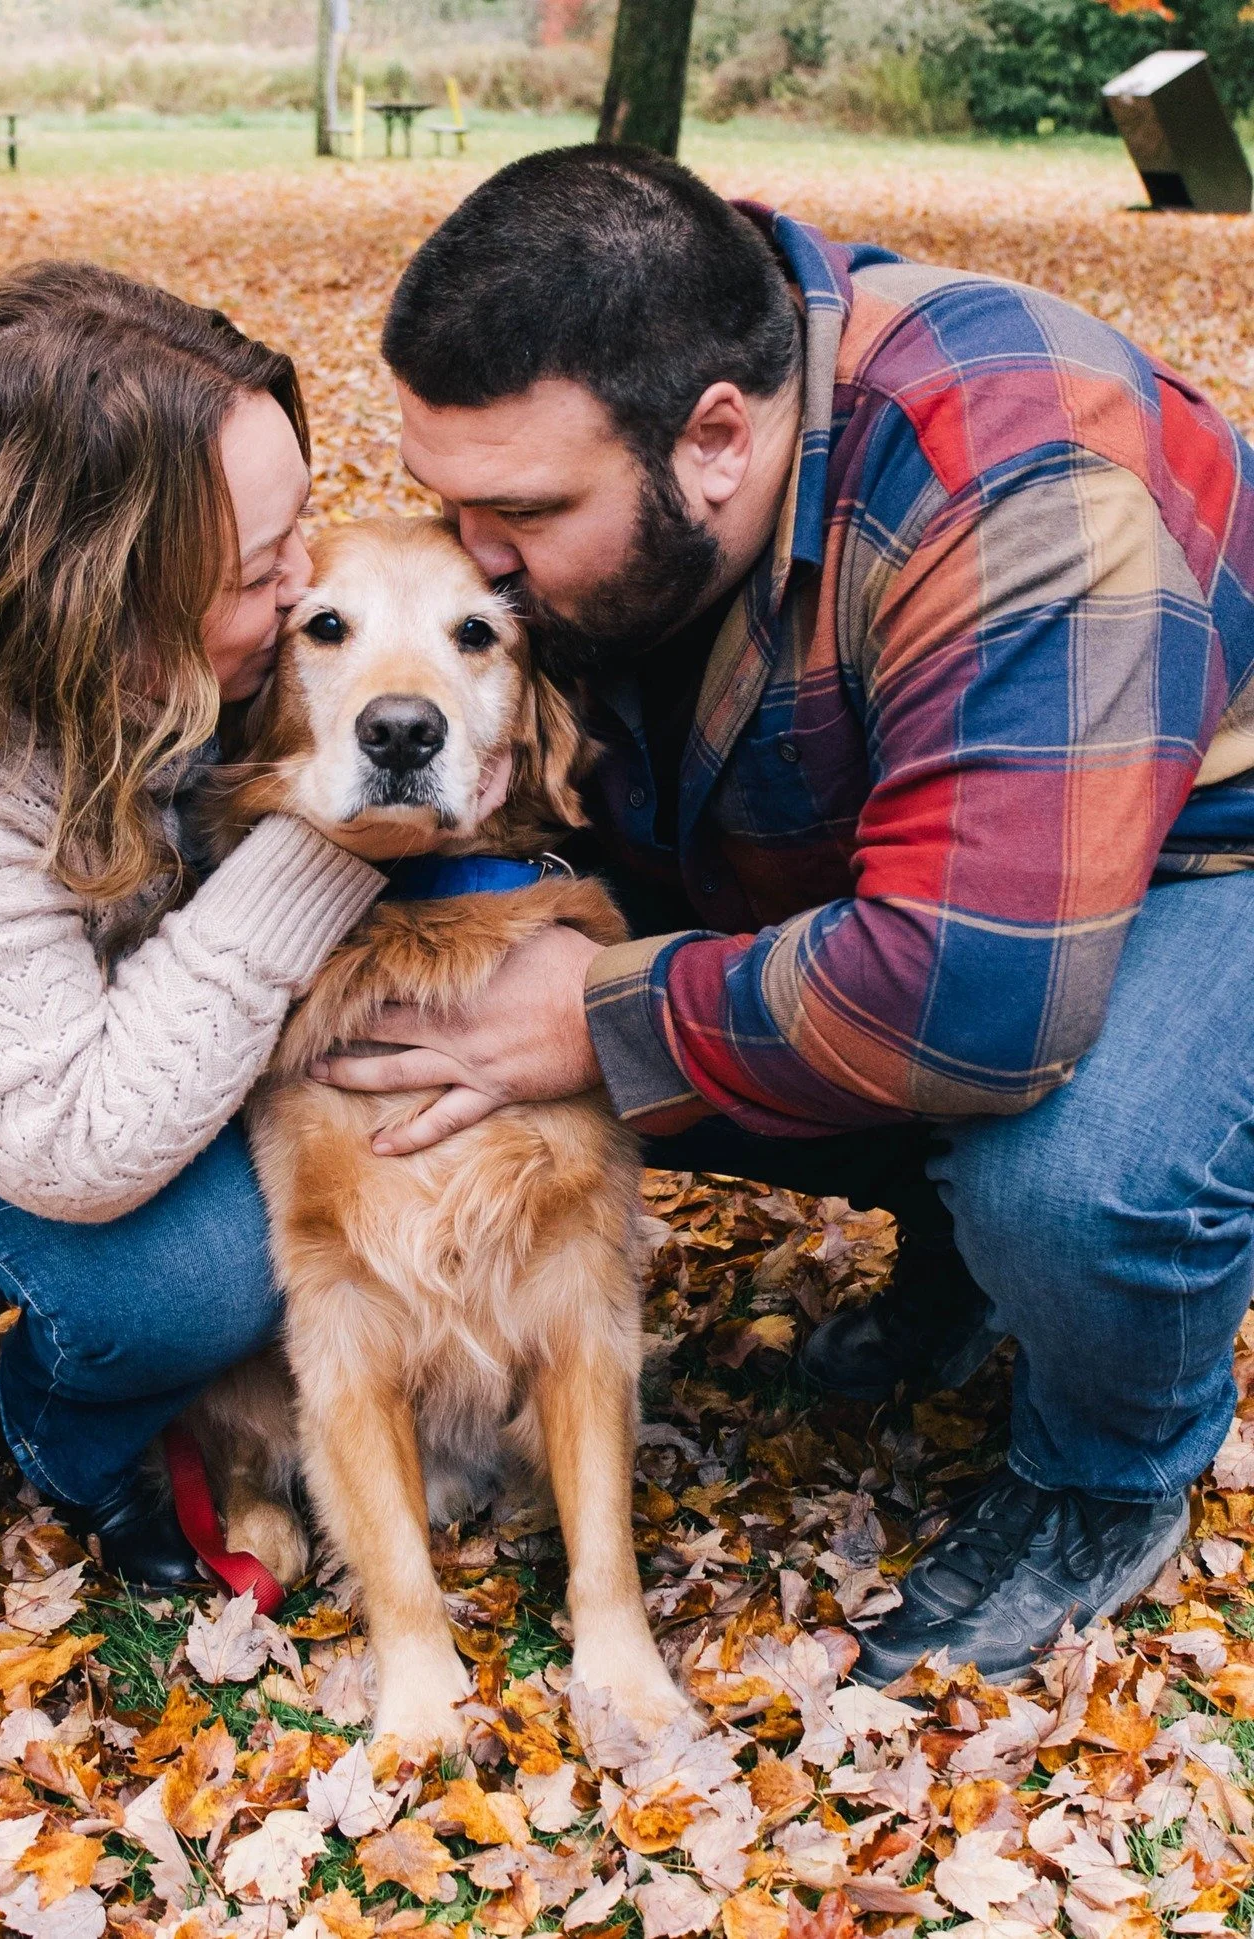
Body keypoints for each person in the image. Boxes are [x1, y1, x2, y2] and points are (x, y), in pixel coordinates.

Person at [315, 144, 1254, 1684]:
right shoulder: (661, 464)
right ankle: (962, 1253)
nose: (477, 558)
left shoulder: (1007, 463)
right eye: (449, 502)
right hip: (925, 861)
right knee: (591, 1000)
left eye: (523, 513)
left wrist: (591, 1008)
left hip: (1202, 864)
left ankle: (1107, 1466)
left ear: (716, 440)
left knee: (1078, 1178)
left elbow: (977, 992)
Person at [0, 263, 389, 1697]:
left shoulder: (145, 667)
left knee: (212, 1261)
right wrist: (327, 839)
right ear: (92, 601)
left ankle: (66, 1428)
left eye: (296, 525)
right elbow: (80, 1143)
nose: (305, 581)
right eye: (259, 571)